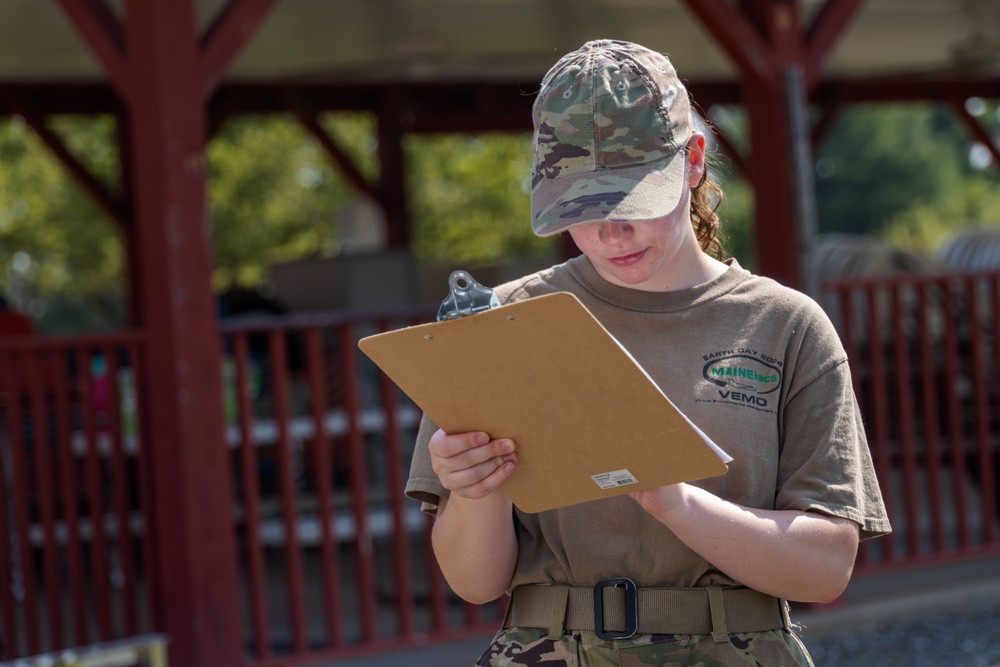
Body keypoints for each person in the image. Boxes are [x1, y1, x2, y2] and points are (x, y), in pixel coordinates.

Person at [405, 39, 891, 666]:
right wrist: (475, 489)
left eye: (633, 199)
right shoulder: (495, 325)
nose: (611, 232)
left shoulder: (785, 326)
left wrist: (675, 500)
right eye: (583, 206)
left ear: (692, 162)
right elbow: (474, 583)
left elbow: (825, 569)